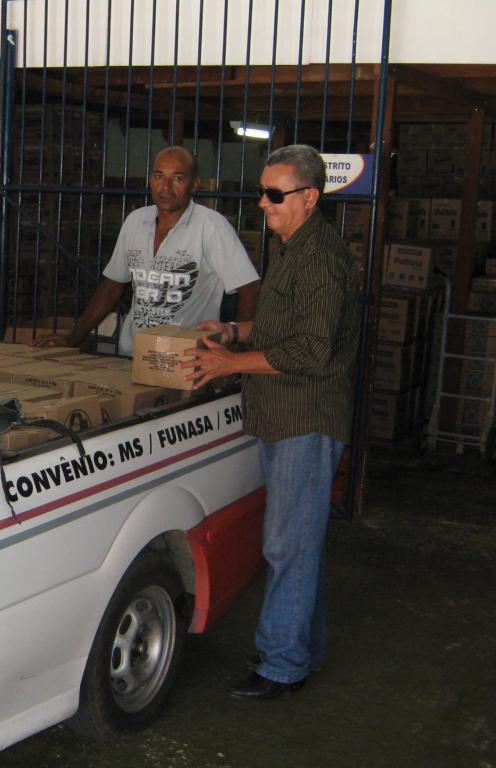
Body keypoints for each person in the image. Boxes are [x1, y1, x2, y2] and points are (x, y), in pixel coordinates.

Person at [182, 144, 362, 700]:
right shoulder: (292, 247)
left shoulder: (321, 259)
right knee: (297, 542)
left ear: (309, 197)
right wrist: (234, 332)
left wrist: (229, 364)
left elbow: (310, 350)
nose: (263, 203)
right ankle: (300, 649)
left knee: (289, 547)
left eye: (274, 194)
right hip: (283, 416)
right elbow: (284, 327)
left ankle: (283, 667)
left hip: (305, 419)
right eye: (262, 192)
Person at [33, 145, 260, 353]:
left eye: (177, 178)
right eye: (159, 176)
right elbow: (112, 287)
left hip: (186, 358)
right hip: (132, 353)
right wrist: (73, 338)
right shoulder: (135, 221)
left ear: (194, 184)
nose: (166, 187)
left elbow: (250, 289)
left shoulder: (211, 227)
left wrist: (233, 354)